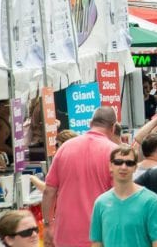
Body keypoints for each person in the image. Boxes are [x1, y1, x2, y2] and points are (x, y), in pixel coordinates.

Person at [42, 106, 118, 247]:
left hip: (65, 235)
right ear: (113, 128)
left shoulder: (65, 147)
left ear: (90, 123)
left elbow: (49, 191)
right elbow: (121, 197)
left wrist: (47, 224)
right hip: (100, 236)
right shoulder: (114, 153)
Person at [89, 145, 157, 247]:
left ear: (135, 167)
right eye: (118, 162)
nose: (123, 167)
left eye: (129, 163)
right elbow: (97, 242)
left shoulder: (151, 201)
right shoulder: (101, 202)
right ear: (110, 166)